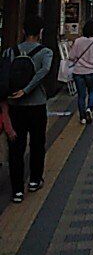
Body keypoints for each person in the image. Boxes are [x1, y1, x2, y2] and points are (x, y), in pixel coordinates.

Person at [2, 14, 53, 204]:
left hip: (14, 106)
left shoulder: (10, 51)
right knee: (37, 143)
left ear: (23, 31)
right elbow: (44, 71)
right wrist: (27, 89)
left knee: (16, 147)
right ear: (40, 32)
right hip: (37, 104)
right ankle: (34, 180)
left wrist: (16, 92)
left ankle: (16, 191)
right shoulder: (46, 52)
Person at [68, 21, 93, 125]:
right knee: (92, 92)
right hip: (92, 71)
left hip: (78, 72)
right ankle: (89, 109)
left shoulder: (77, 41)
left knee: (81, 95)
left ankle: (82, 118)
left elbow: (71, 56)